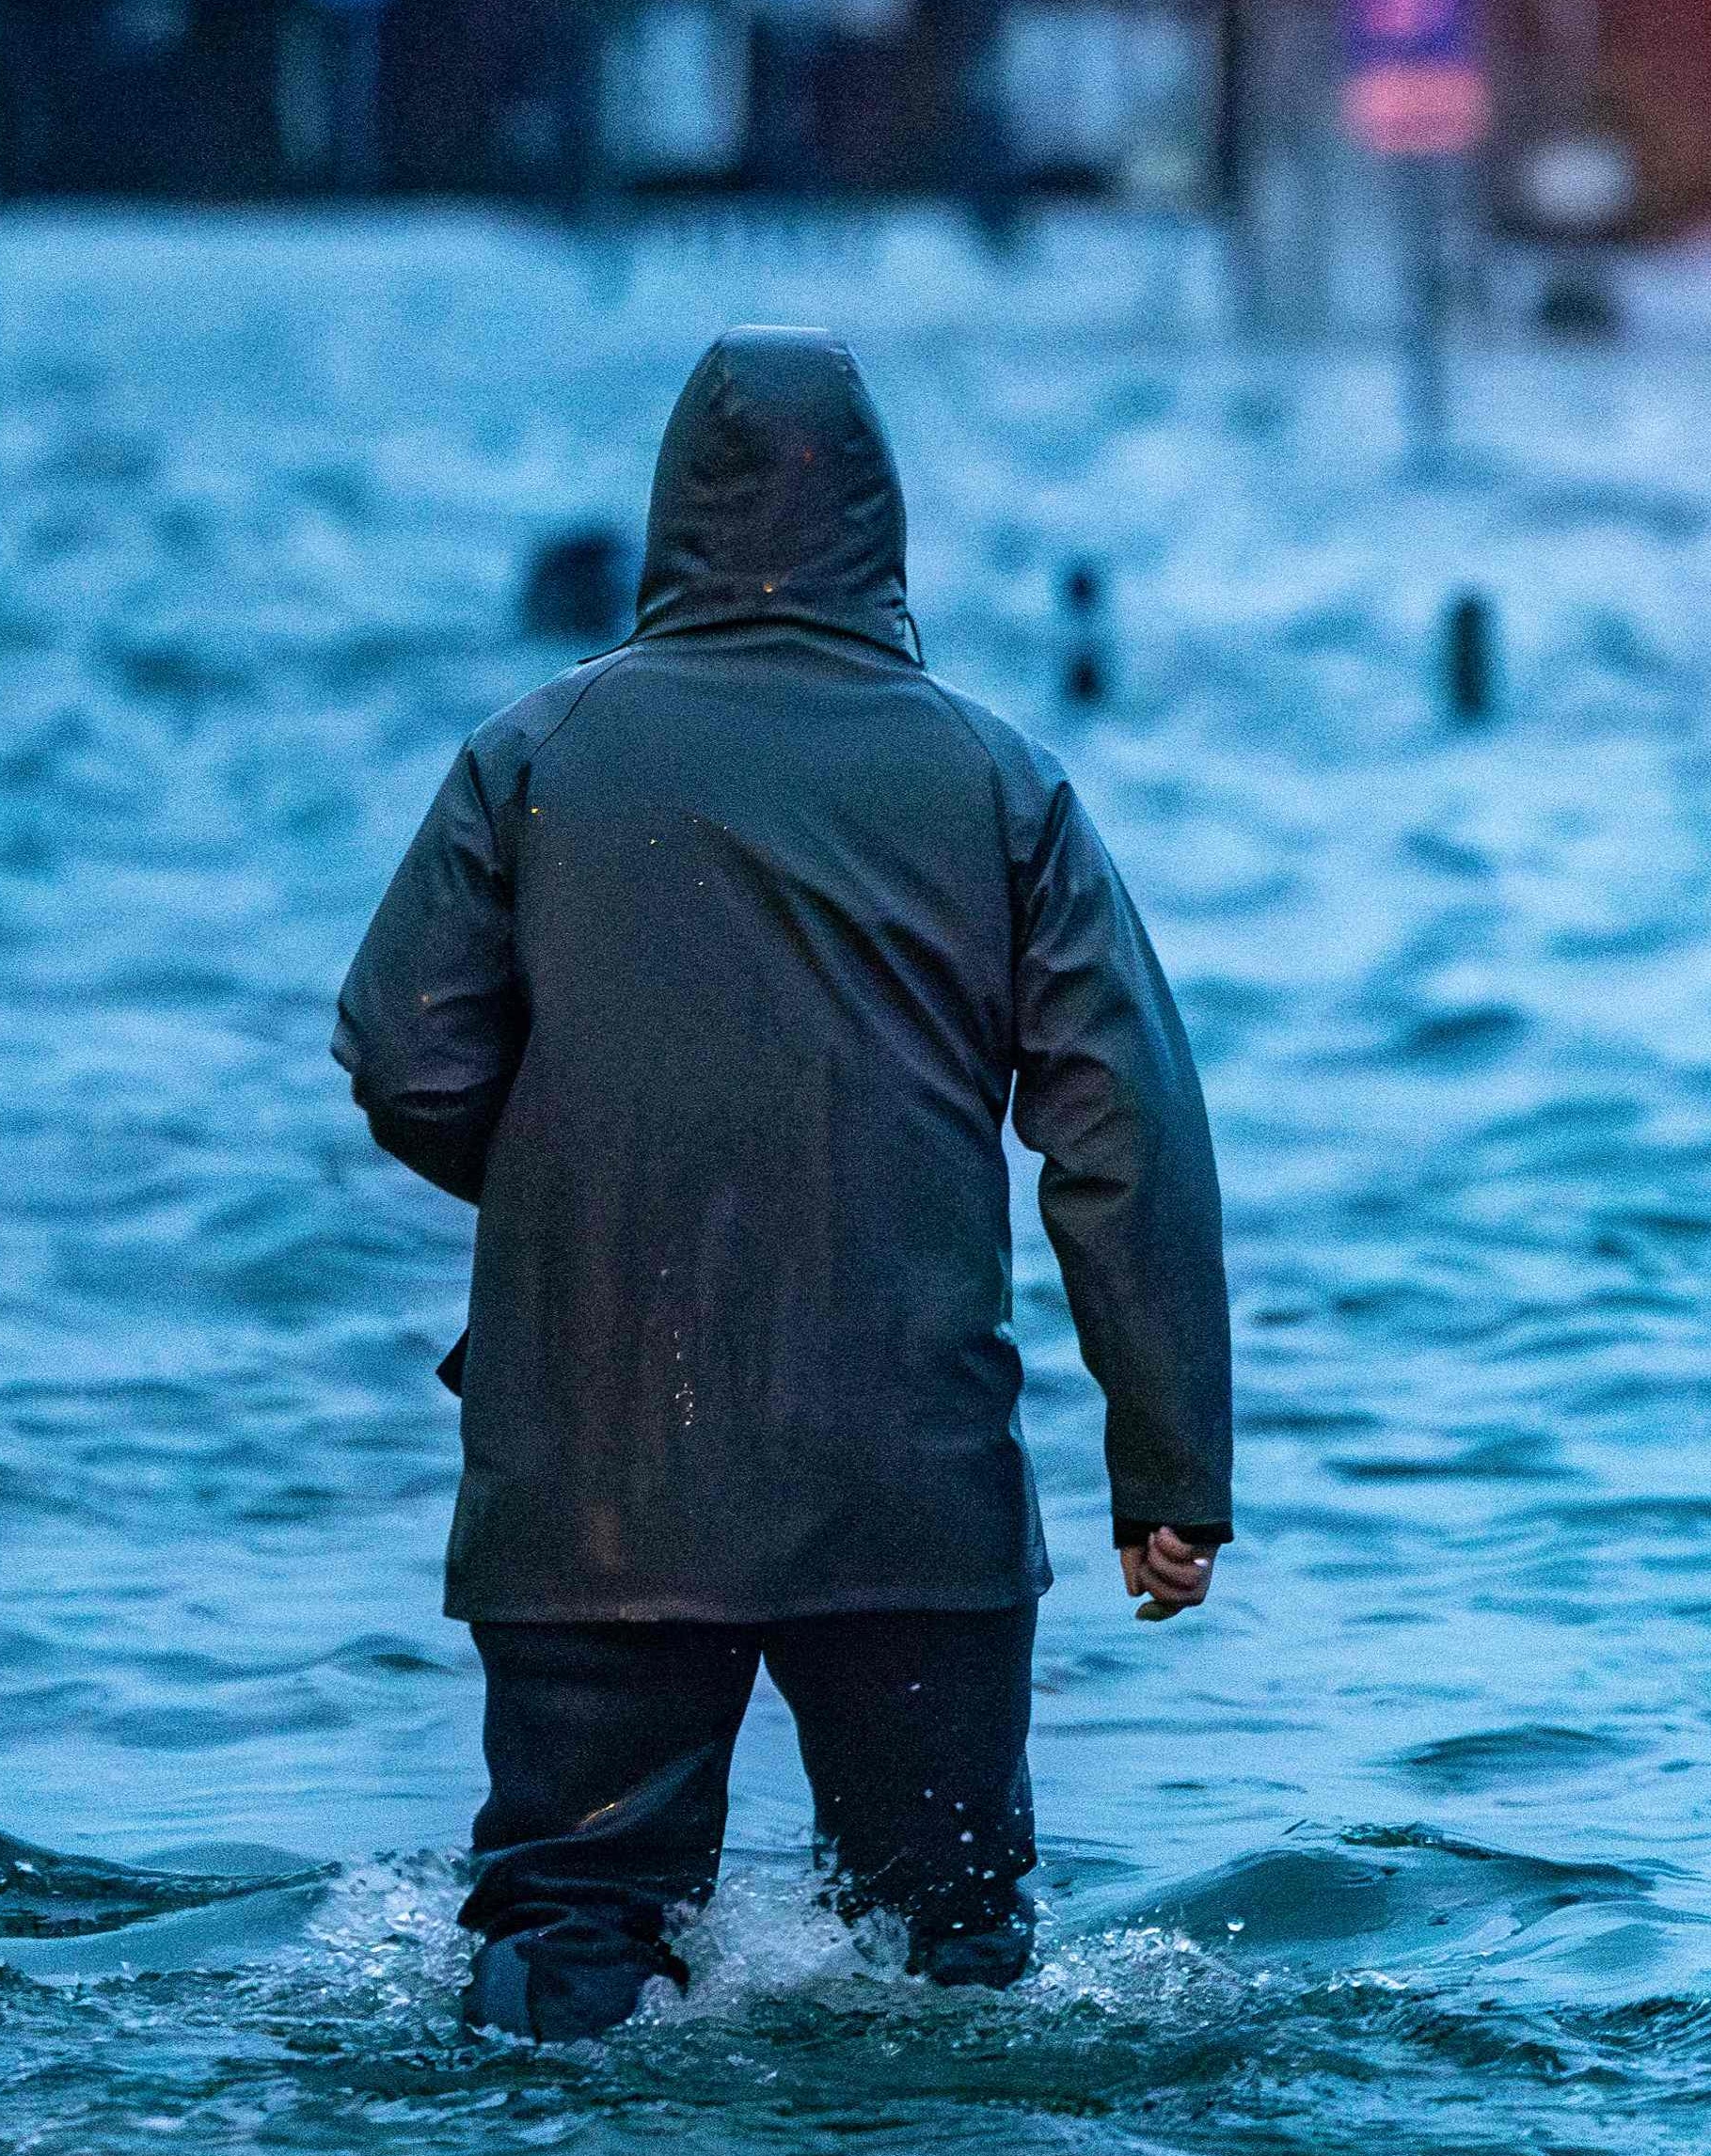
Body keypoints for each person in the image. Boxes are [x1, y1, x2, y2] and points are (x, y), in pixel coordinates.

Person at [338, 329, 1234, 2041]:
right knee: (948, 1952)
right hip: (912, 1478)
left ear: (671, 519)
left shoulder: (529, 757)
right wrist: (1169, 1467)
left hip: (589, 1471)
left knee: (568, 1932)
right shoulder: (1000, 782)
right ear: (884, 535)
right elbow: (1130, 1134)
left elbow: (403, 1056)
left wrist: (583, 1198)